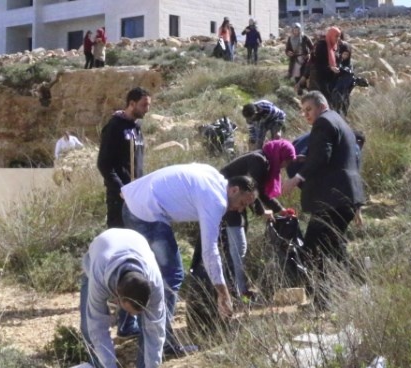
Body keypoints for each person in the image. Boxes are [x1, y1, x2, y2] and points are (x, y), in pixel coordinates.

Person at [121, 164, 258, 354]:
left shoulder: (213, 175)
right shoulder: (216, 200)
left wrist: (131, 191)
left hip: (136, 203)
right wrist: (223, 293)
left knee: (152, 273)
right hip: (145, 214)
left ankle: (136, 327)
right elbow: (209, 251)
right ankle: (162, 342)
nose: (239, 210)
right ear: (234, 190)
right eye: (242, 203)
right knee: (171, 274)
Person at [282, 91, 365, 304]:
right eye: (303, 111)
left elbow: (322, 157)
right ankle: (350, 292)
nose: (306, 115)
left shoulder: (324, 123)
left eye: (308, 109)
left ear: (321, 106)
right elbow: (341, 158)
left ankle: (323, 301)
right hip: (344, 198)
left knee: (314, 248)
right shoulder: (339, 121)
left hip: (331, 200)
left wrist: (296, 178)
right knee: (334, 247)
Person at [79, 228, 166, 368]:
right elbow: (98, 329)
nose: (135, 317)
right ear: (117, 299)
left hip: (136, 243)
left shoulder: (154, 283)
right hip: (100, 252)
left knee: (148, 330)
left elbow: (155, 334)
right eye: (130, 311)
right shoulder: (99, 276)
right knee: (87, 328)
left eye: (138, 313)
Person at [97, 87, 151, 338]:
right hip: (121, 199)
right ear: (131, 103)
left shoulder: (136, 129)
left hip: (137, 197)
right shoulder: (115, 127)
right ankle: (123, 316)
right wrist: (120, 190)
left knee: (136, 251)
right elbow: (105, 164)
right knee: (123, 254)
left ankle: (130, 312)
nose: (146, 110)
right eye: (143, 105)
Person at [218, 139, 297, 298]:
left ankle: (238, 289)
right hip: (227, 201)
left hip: (235, 202)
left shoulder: (264, 160)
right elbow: (253, 191)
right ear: (279, 155)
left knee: (237, 247)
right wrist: (262, 211)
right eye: (284, 162)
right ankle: (237, 292)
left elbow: (259, 192)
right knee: (238, 247)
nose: (283, 167)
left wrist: (280, 210)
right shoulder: (259, 161)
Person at [309, 27, 341, 106]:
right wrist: (330, 68)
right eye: (336, 36)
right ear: (331, 35)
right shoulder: (321, 45)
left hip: (329, 78)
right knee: (322, 101)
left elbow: (336, 60)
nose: (338, 38)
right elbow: (317, 63)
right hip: (319, 78)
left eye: (339, 36)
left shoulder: (334, 46)